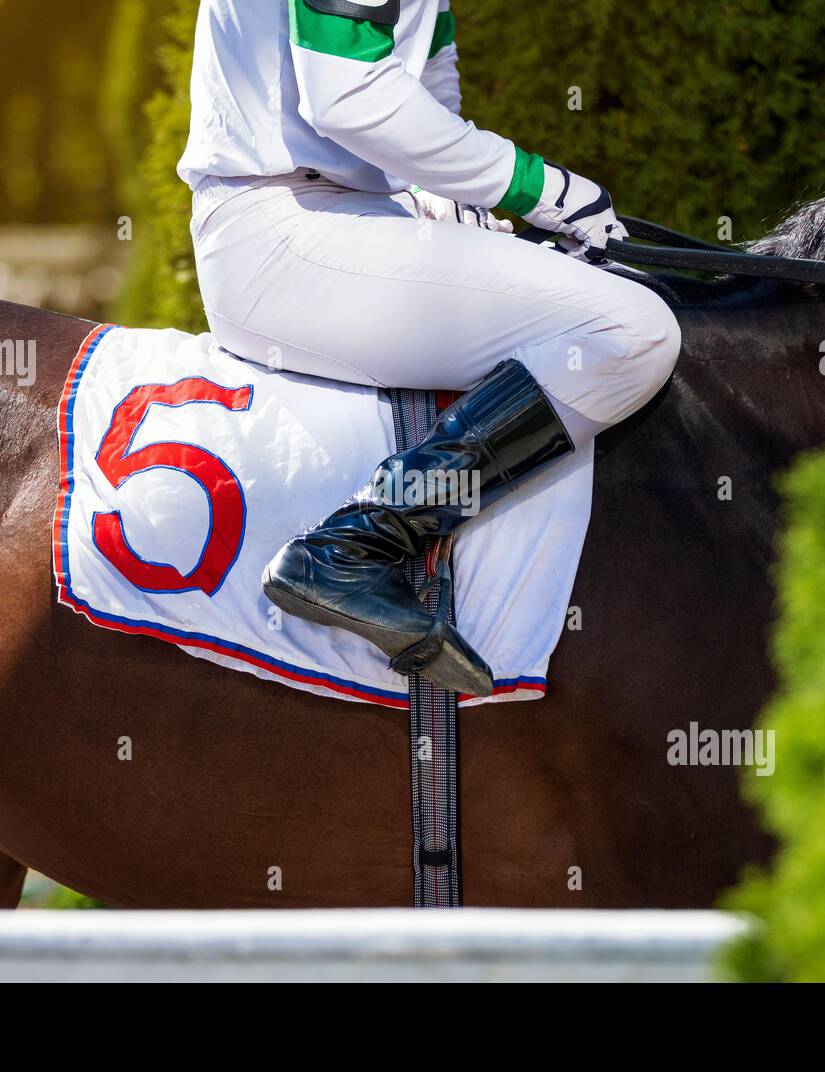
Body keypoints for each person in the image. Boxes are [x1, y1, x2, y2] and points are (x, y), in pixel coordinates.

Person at [178, 0, 681, 694]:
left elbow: (423, 76)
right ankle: (358, 542)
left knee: (620, 297)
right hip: (287, 230)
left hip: (354, 213)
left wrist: (447, 196)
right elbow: (347, 94)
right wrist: (546, 190)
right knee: (634, 332)